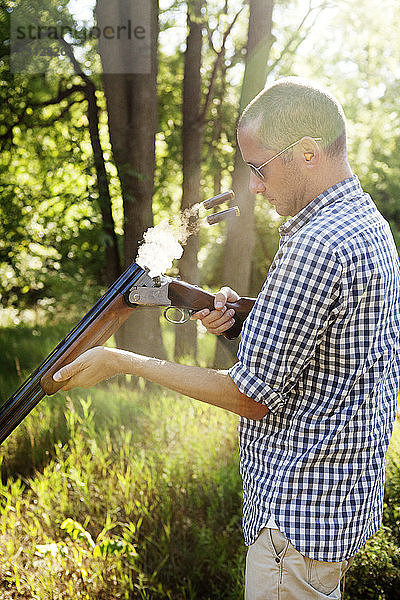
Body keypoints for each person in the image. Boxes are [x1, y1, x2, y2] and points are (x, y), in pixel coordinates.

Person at [53, 77, 400, 599]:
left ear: (307, 153)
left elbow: (249, 397)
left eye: (259, 168)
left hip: (296, 520)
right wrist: (243, 321)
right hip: (332, 508)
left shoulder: (317, 244)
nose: (255, 186)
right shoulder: (361, 222)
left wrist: (123, 361)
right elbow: (330, 346)